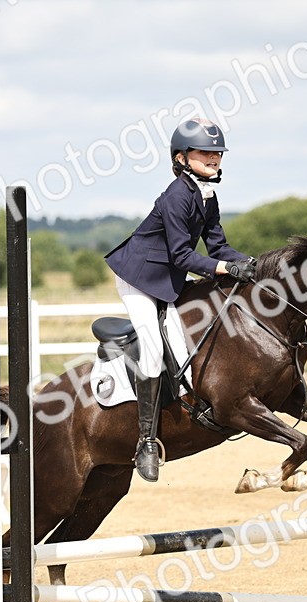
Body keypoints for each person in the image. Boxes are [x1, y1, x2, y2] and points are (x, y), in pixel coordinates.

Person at [104, 118, 258, 483]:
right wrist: (223, 268)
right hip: (139, 278)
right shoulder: (176, 195)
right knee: (154, 349)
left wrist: (249, 264)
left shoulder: (207, 196)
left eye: (217, 152)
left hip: (168, 278)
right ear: (182, 157)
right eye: (206, 152)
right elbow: (181, 255)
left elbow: (217, 246)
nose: (215, 157)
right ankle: (145, 441)